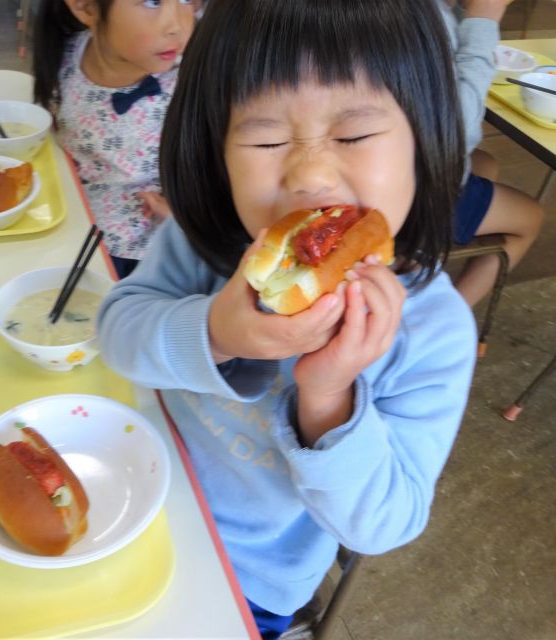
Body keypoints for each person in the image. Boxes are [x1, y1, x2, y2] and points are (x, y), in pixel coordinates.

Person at [98, 0, 477, 637]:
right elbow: (117, 335)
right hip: (130, 495)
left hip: (246, 580)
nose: (310, 174)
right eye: (267, 138)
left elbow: (385, 525)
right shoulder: (202, 244)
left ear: (423, 136)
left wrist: (327, 397)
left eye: (354, 135)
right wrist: (216, 331)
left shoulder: (433, 330)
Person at [32, 0, 196, 279]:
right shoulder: (65, 56)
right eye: (152, 2)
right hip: (69, 232)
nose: (178, 26)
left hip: (155, 252)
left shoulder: (193, 79)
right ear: (85, 8)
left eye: (187, 0)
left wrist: (185, 216)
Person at [438, 0, 544, 306]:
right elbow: (457, 131)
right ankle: (447, 322)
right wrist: (485, 17)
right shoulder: (416, 17)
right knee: (531, 217)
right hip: (406, 192)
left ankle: (423, 263)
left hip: (395, 170)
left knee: (486, 163)